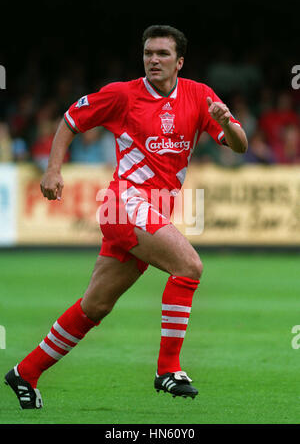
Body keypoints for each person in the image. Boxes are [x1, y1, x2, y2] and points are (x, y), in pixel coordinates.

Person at [5, 25, 248, 409]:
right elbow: (72, 118)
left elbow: (239, 145)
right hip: (124, 204)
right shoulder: (123, 94)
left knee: (94, 307)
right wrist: (53, 169)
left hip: (149, 212)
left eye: (163, 54)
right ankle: (168, 368)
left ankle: (26, 372)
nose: (154, 59)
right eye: (149, 53)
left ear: (179, 62)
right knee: (189, 266)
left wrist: (225, 123)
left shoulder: (200, 96)